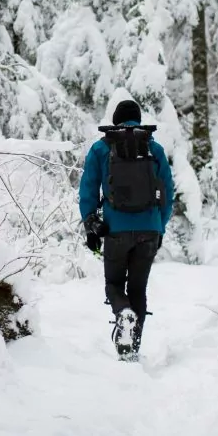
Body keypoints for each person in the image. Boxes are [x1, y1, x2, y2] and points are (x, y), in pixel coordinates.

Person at [79, 98, 175, 360]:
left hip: (115, 230)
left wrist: (90, 224)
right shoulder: (154, 149)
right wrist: (159, 226)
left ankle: (123, 314)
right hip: (149, 231)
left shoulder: (101, 148)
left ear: (115, 121)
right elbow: (168, 194)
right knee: (137, 290)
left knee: (113, 284)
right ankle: (131, 350)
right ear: (139, 120)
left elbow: (87, 189)